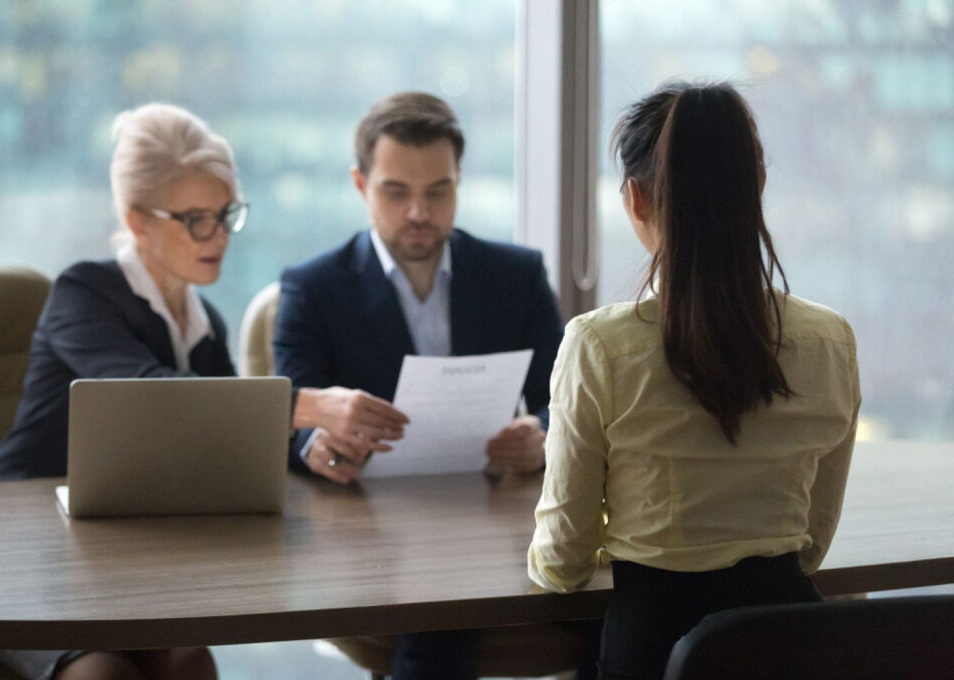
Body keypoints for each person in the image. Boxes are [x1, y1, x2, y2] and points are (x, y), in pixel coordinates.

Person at [0, 103, 405, 680]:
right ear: (137, 221)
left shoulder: (204, 326)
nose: (219, 236)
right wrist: (313, 403)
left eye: (226, 214)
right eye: (196, 219)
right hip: (23, 540)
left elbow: (230, 435)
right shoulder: (83, 293)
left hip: (119, 548)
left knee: (190, 660)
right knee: (102, 674)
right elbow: (151, 395)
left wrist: (309, 446)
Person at [527, 81, 861, 680]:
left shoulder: (599, 346)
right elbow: (810, 545)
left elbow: (564, 562)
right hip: (792, 649)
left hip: (655, 653)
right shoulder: (829, 340)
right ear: (756, 187)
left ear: (635, 199)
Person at [273, 92, 576, 679]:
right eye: (396, 191)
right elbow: (290, 413)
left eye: (438, 190)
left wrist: (540, 433)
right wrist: (318, 448)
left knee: (617, 609)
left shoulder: (517, 275)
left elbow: (568, 399)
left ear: (458, 183)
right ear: (361, 185)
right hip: (375, 526)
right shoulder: (312, 286)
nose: (419, 210)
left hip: (495, 513)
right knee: (446, 615)